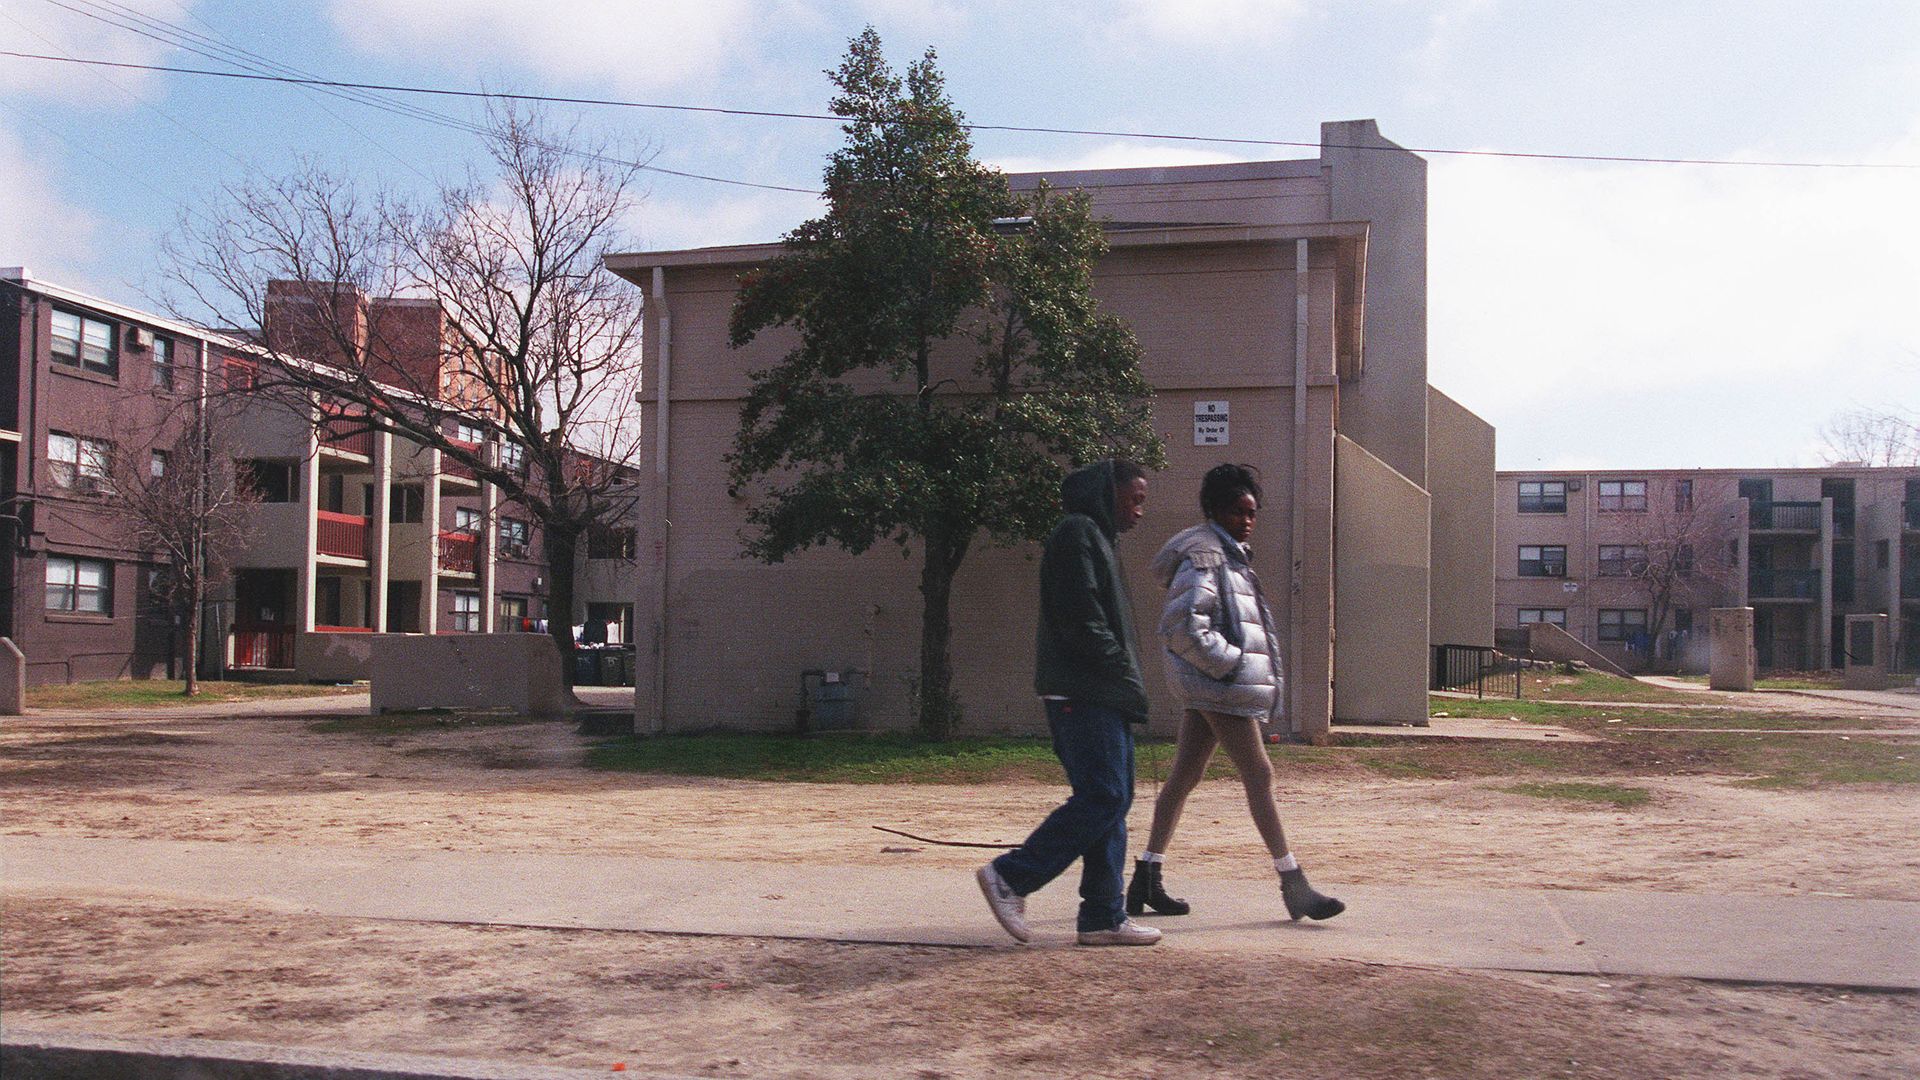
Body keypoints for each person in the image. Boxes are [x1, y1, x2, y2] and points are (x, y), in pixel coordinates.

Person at [1125, 463, 1344, 923]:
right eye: (1237, 511)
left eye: (1252, 512)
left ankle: (1146, 876)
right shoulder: (1206, 556)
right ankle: (1293, 884)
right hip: (1219, 688)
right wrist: (1233, 665)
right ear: (1214, 510)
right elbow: (1182, 625)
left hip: (1213, 687)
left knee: (1184, 776)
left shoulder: (1230, 554)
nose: (1246, 520)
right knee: (1259, 775)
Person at [976, 458, 1162, 946]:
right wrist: (1121, 670)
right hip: (1083, 691)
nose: (1140, 510)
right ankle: (1011, 877)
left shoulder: (1097, 537)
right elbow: (1082, 618)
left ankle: (1103, 915)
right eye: (1135, 499)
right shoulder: (1077, 533)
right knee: (1103, 795)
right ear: (1109, 493)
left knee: (1113, 800)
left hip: (1103, 690)